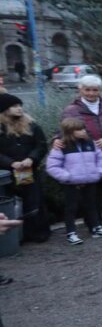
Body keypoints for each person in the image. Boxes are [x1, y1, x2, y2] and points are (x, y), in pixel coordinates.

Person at [57, 75, 102, 232]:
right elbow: (63, 131)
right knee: (91, 193)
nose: (90, 93)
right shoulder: (71, 110)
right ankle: (94, 223)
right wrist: (57, 141)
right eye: (87, 90)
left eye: (94, 90)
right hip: (86, 156)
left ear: (100, 91)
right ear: (80, 89)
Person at [45, 117, 102, 244]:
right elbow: (52, 166)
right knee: (71, 208)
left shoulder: (90, 143)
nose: (83, 131)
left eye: (83, 129)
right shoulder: (61, 147)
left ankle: (96, 227)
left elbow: (100, 159)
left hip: (90, 180)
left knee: (92, 205)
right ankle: (71, 232)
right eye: (79, 130)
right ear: (70, 132)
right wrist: (67, 177)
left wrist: (99, 172)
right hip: (71, 183)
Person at [0, 94, 50, 242]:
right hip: (7, 174)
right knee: (11, 203)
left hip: (29, 170)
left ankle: (38, 232)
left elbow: (41, 145)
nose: (19, 108)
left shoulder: (32, 125)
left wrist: (31, 159)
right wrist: (10, 163)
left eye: (20, 105)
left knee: (35, 201)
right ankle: (16, 235)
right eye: (14, 106)